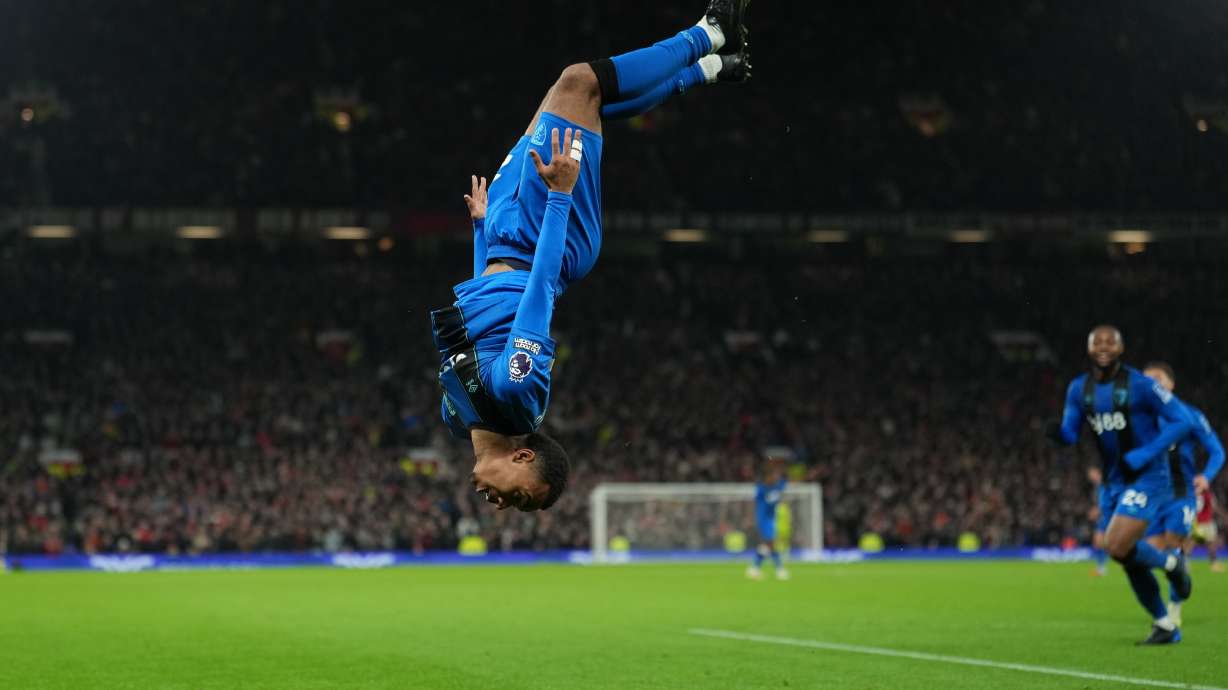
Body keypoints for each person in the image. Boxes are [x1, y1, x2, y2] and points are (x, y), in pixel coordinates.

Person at [431, 2, 753, 512]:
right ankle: (708, 35)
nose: (499, 503)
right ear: (522, 459)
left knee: (574, 100)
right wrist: (560, 196)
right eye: (517, 497)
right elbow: (536, 293)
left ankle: (717, 66)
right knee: (580, 83)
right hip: (546, 237)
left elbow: (480, 317)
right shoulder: (519, 396)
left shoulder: (456, 417)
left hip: (503, 236)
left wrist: (480, 234)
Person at [1046, 325, 1194, 645]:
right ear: (1088, 349)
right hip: (1114, 479)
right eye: (1096, 342)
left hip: (1149, 476)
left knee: (1115, 545)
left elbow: (1184, 420)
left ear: (1120, 349)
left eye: (1109, 342)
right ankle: (1165, 624)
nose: (1103, 347)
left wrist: (1145, 453)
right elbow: (1071, 434)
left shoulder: (1141, 386)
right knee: (1124, 556)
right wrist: (1058, 435)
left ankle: (1171, 563)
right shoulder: (1078, 389)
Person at [1139, 362, 1224, 627]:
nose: (1152, 384)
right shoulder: (1138, 419)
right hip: (1150, 497)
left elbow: (1217, 451)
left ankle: (1173, 609)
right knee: (1142, 557)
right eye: (1146, 380)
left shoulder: (1189, 415)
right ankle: (1179, 570)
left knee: (1174, 544)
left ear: (1171, 384)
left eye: (1157, 378)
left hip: (1180, 493)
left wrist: (1206, 476)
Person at [747, 459, 789, 581]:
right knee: (771, 543)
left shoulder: (778, 487)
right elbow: (754, 503)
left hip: (771, 519)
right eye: (773, 475)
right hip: (763, 519)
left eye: (777, 475)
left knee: (767, 545)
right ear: (767, 477)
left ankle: (754, 568)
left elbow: (785, 478)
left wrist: (779, 465)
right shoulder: (761, 489)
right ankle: (780, 569)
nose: (776, 477)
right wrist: (750, 517)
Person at [1087, 466, 1108, 576]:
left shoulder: (1104, 484)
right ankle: (1101, 567)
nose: (1090, 477)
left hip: (1107, 516)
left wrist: (1097, 510)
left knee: (1099, 541)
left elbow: (1106, 501)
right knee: (1098, 542)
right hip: (1103, 516)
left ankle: (1101, 568)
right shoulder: (1098, 486)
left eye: (1092, 474)